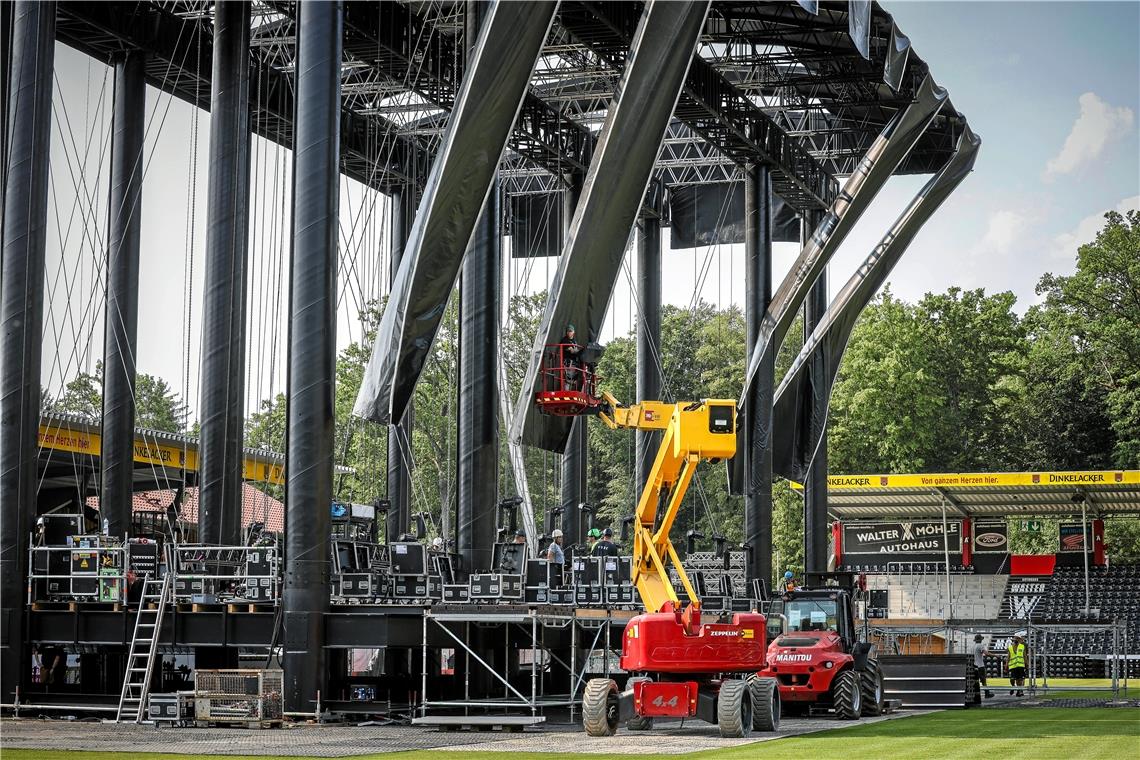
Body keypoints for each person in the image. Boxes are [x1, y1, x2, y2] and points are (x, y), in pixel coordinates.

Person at [560, 324, 583, 389]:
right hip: (568, 363)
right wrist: (580, 351)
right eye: (568, 331)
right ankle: (566, 392)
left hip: (574, 363)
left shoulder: (574, 341)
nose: (569, 332)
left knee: (573, 380)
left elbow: (575, 350)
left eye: (570, 331)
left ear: (573, 332)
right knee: (568, 380)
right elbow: (572, 351)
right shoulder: (565, 340)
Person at [1006, 632, 1028, 696]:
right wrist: (1006, 664)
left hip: (1020, 665)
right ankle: (1013, 687)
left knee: (1020, 679)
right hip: (1013, 666)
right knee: (1012, 679)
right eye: (1015, 638)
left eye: (1017, 638)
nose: (1016, 640)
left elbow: (1024, 656)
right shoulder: (1010, 647)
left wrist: (1026, 664)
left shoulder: (1022, 646)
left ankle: (1019, 691)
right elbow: (1008, 656)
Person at [973, 634, 994, 699]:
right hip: (980, 666)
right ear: (980, 640)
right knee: (984, 681)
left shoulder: (973, 646)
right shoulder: (980, 645)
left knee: (976, 681)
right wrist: (995, 655)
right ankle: (987, 694)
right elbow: (986, 653)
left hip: (974, 665)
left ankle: (975, 695)